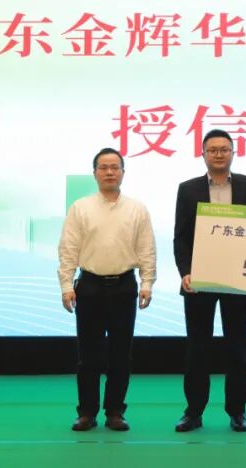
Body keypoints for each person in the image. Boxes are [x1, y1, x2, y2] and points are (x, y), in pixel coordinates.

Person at [58, 147, 156, 432]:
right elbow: (68, 248)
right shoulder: (80, 208)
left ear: (123, 172)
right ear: (95, 173)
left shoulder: (137, 209)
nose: (109, 172)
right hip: (89, 286)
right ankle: (86, 412)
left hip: (124, 286)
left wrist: (147, 282)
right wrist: (66, 285)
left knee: (121, 354)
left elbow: (146, 249)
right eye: (103, 167)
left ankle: (115, 411)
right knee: (88, 355)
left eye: (115, 167)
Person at [173, 129, 246, 433]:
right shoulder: (188, 189)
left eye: (224, 149)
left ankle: (238, 411)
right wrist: (185, 272)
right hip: (199, 279)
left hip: (238, 278)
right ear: (203, 154)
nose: (218, 154)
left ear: (233, 152)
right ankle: (193, 411)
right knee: (197, 349)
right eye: (212, 149)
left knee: (237, 348)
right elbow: (181, 237)